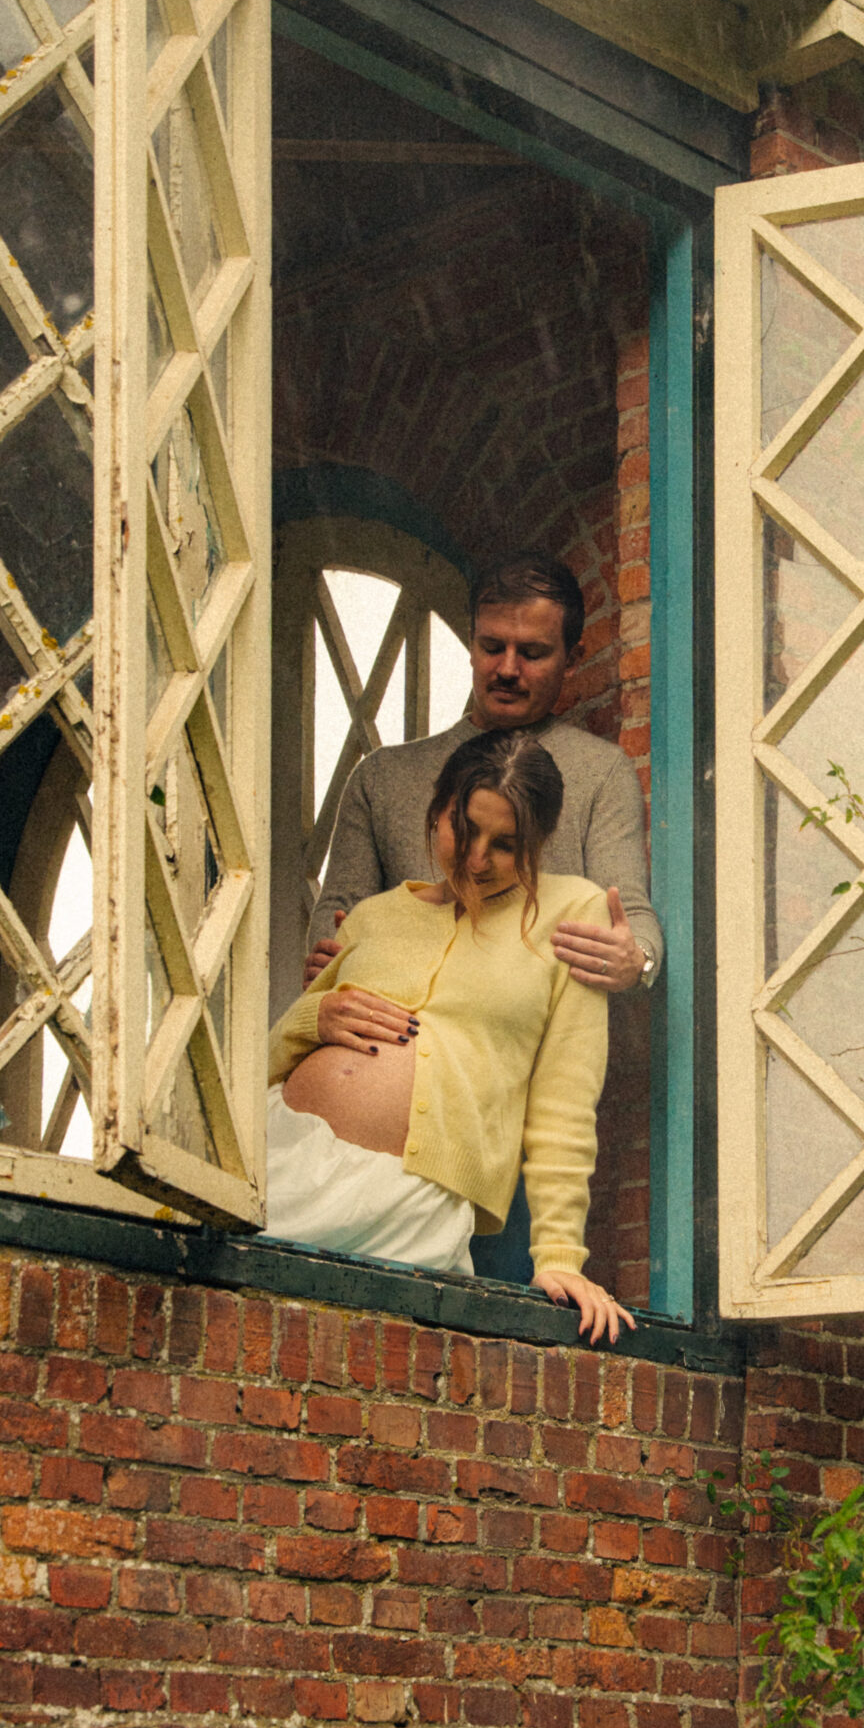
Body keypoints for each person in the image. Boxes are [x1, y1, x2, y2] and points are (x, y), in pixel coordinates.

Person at [266, 730, 636, 1347]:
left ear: (537, 847)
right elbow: (268, 1061)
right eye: (463, 829)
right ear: (436, 809)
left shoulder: (574, 914)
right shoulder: (373, 916)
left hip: (405, 1197)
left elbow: (564, 1105)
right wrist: (317, 1017)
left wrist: (560, 1257)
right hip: (282, 1158)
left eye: (505, 845)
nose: (476, 858)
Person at [304, 550, 661, 1006]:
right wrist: (326, 970)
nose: (507, 669)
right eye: (492, 647)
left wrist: (638, 960)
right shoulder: (382, 777)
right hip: (401, 1037)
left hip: (536, 1039)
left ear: (573, 660)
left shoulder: (601, 772)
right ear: (471, 643)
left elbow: (629, 913)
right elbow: (336, 919)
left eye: (532, 653)